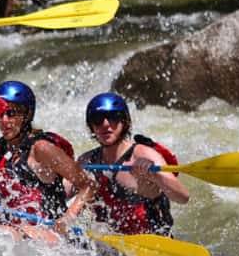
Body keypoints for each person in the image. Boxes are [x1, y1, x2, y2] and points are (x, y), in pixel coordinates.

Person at [0, 80, 95, 241]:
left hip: (49, 235)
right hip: (11, 232)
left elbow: (88, 185)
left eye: (11, 113)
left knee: (2, 234)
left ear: (27, 115)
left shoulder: (41, 149)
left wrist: (68, 219)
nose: (4, 120)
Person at [77, 93, 190, 236]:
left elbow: (183, 197)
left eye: (113, 117)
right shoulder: (87, 161)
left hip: (152, 243)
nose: (105, 124)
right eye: (98, 119)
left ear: (124, 122)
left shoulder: (144, 154)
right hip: (109, 247)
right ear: (91, 126)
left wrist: (155, 176)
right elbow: (62, 191)